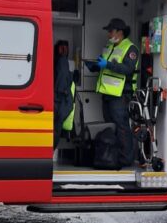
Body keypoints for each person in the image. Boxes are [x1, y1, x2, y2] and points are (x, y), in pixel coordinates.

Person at [85, 18, 139, 168]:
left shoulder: (131, 48)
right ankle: (113, 156)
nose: (108, 34)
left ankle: (126, 159)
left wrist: (107, 64)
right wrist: (95, 66)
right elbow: (106, 66)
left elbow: (127, 69)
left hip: (121, 95)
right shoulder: (109, 46)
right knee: (111, 127)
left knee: (121, 127)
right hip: (108, 94)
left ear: (120, 32)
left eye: (110, 31)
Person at [53, 40, 75, 149]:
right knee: (56, 129)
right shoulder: (62, 61)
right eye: (62, 49)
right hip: (59, 101)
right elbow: (62, 82)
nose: (64, 51)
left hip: (57, 99)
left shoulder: (56, 60)